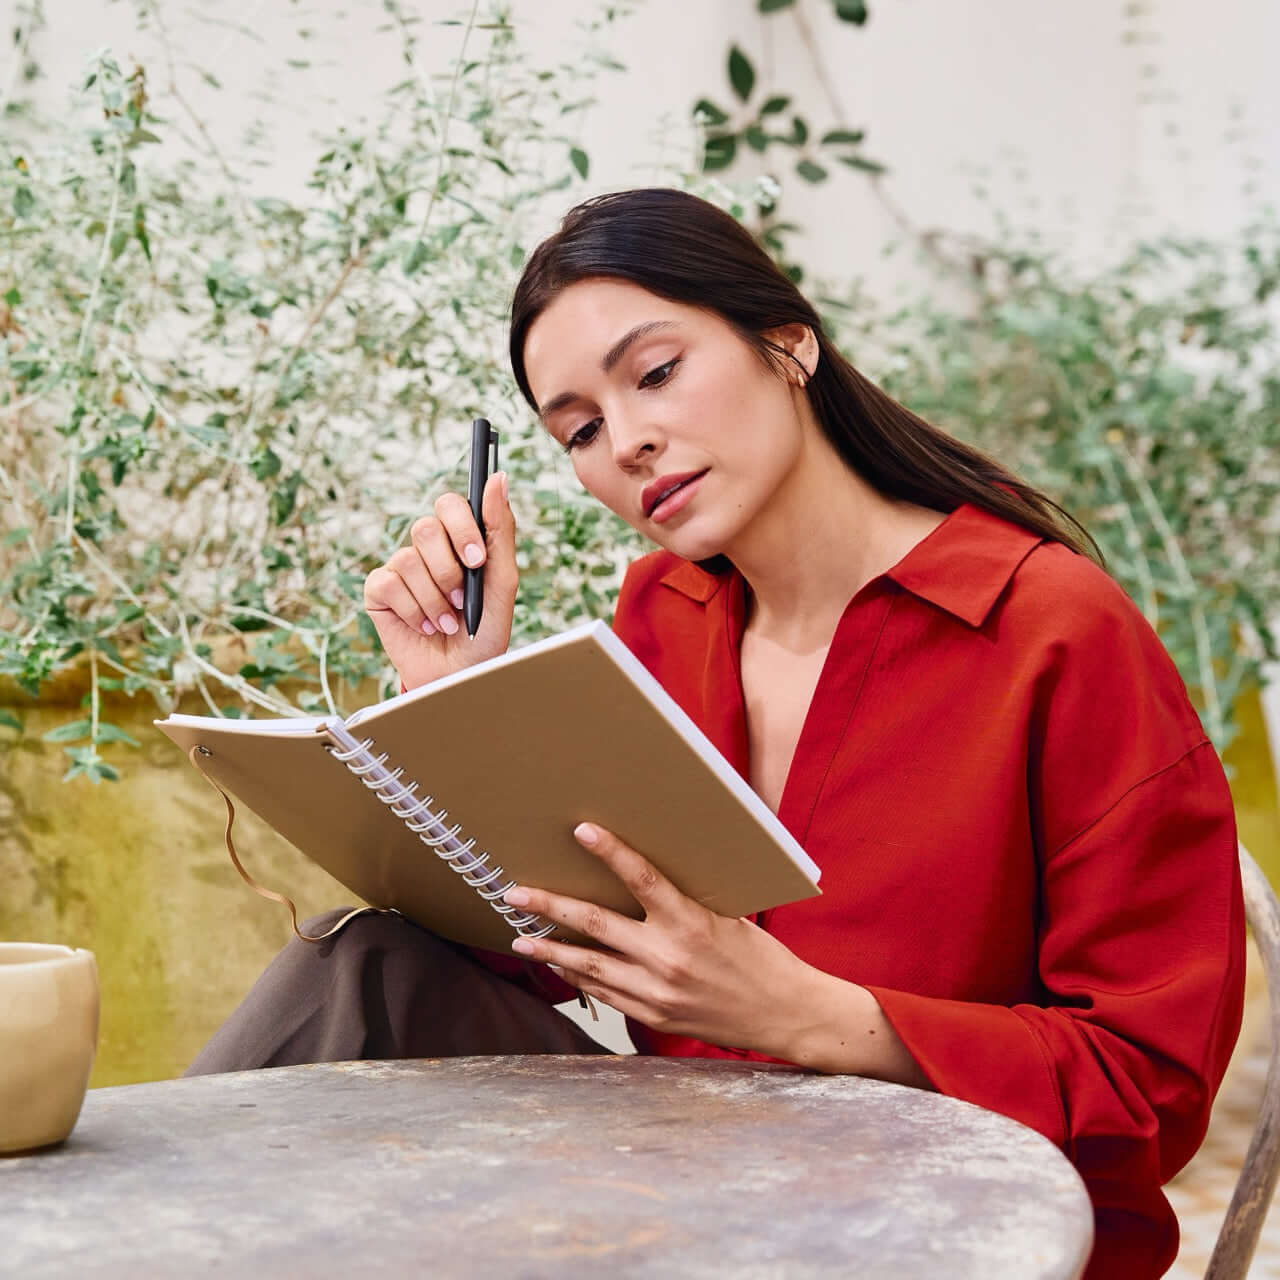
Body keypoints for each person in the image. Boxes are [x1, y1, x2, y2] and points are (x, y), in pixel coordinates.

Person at [188, 188, 1244, 1280]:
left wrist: (804, 1014)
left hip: (938, 1223)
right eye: (580, 431)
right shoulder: (663, 616)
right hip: (681, 1180)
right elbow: (572, 944)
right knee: (360, 963)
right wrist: (454, 704)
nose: (629, 442)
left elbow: (1149, 1084)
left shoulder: (1051, 630)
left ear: (788, 343)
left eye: (655, 373)